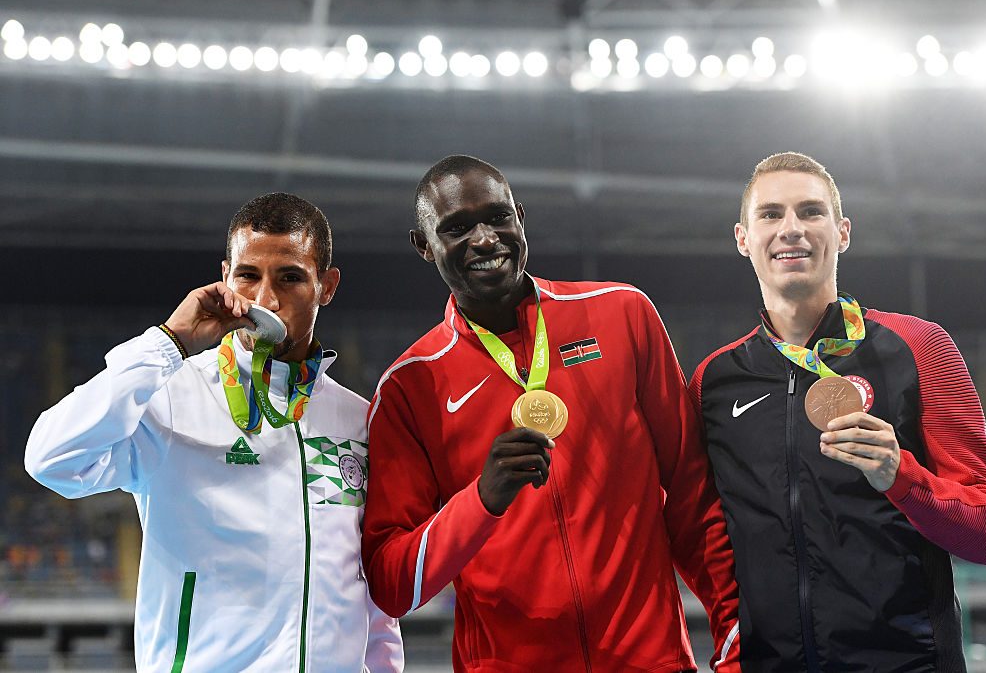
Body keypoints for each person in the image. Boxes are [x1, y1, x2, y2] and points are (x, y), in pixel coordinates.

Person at [361, 155, 740, 672]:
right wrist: (481, 501)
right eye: (457, 228)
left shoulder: (622, 314)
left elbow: (694, 499)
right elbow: (391, 583)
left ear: (521, 217)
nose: (485, 239)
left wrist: (734, 635)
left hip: (651, 661)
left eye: (498, 218)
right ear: (424, 246)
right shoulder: (411, 386)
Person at [25, 193, 403, 672]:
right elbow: (50, 459)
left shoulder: (359, 421)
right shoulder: (168, 395)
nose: (265, 299)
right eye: (248, 275)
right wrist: (168, 344)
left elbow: (369, 592)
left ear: (326, 286)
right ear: (225, 276)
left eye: (290, 277)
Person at [688, 151, 986, 671]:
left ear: (841, 233)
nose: (791, 228)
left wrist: (901, 476)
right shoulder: (714, 382)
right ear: (742, 239)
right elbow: (705, 532)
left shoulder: (918, 347)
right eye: (770, 214)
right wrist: (731, 640)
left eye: (810, 212)